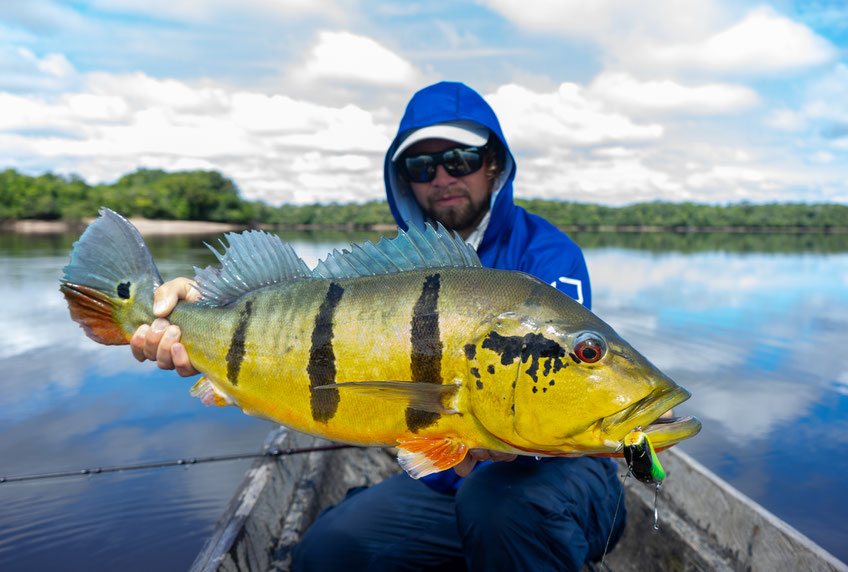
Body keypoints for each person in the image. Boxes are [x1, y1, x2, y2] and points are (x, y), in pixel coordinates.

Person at [131, 81, 626, 571]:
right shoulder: (393, 271)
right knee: (328, 551)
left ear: (493, 163)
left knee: (500, 510)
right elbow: (302, 305)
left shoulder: (548, 253)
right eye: (421, 165)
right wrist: (198, 307)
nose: (442, 177)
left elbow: (555, 385)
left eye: (461, 159)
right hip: (448, 483)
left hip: (562, 473)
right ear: (403, 178)